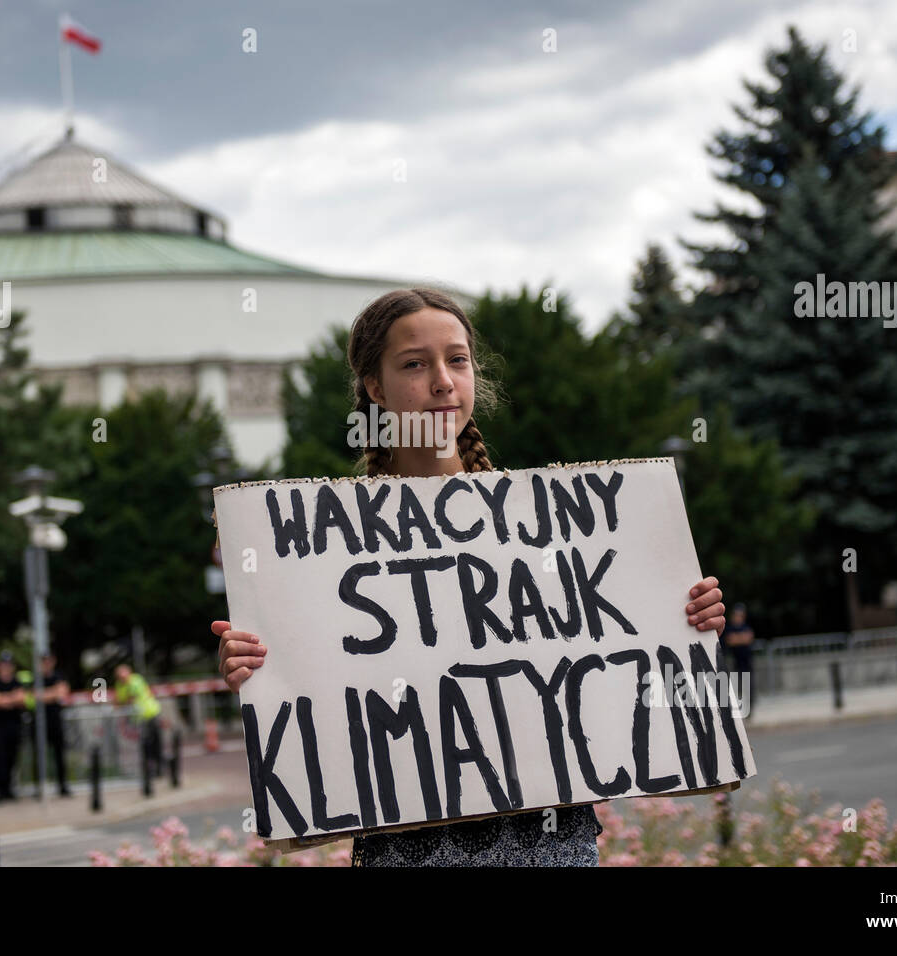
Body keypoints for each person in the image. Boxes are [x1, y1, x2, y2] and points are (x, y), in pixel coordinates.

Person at [212, 287, 728, 867]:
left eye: (457, 360)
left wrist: (682, 617)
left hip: (552, 848)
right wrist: (259, 666)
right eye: (415, 364)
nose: (442, 381)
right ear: (375, 389)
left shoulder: (551, 527)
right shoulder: (317, 558)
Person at [26, 653, 72, 796]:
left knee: (59, 755)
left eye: (48, 661)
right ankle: (39, 787)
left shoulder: (59, 676)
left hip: (55, 721)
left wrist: (43, 695)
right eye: (43, 662)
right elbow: (33, 696)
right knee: (38, 756)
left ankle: (63, 785)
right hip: (38, 722)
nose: (46, 664)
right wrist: (52, 693)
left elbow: (62, 693)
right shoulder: (35, 679)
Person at [0, 652, 26, 802]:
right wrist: (11, 699)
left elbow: (22, 698)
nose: (6, 668)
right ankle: (0, 791)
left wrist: (4, 699)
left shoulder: (17, 682)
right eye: (3, 665)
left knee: (12, 758)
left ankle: (9, 789)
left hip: (14, 726)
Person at [114, 663, 163, 779]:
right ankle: (150, 769)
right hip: (139, 718)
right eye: (120, 676)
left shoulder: (135, 680)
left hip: (150, 713)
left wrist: (122, 702)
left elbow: (131, 697)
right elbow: (118, 699)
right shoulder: (120, 685)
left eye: (124, 675)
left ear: (129, 673)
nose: (122, 677)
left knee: (154, 742)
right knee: (145, 744)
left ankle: (158, 768)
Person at [719, 602, 756, 711]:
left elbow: (748, 638)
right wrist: (741, 638)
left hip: (747, 662)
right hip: (736, 663)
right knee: (736, 688)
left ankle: (749, 709)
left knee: (748, 687)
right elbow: (731, 640)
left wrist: (737, 639)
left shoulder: (746, 626)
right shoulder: (730, 628)